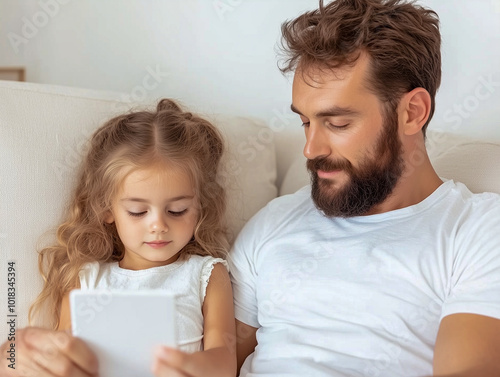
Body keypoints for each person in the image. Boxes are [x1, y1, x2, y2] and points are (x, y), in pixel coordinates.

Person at [228, 0, 500, 376]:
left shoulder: (478, 231)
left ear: (412, 112)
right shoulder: (274, 221)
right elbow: (219, 359)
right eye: (306, 121)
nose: (311, 149)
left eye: (337, 123)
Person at [0, 99, 236, 377]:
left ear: (200, 207)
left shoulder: (206, 274)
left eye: (177, 210)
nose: (158, 225)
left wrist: (192, 367)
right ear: (107, 210)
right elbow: (63, 356)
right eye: (137, 212)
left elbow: (225, 359)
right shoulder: (87, 279)